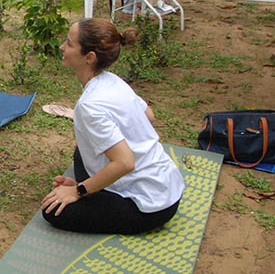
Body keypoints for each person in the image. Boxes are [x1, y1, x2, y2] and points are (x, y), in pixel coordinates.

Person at [41, 19, 184, 234]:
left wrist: (78, 191)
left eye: (69, 44)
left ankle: (92, 192)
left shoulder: (89, 106)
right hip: (167, 185)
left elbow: (125, 162)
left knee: (52, 211)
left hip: (150, 206)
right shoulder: (112, 80)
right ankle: (94, 190)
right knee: (82, 153)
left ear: (89, 57)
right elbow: (149, 116)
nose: (62, 47)